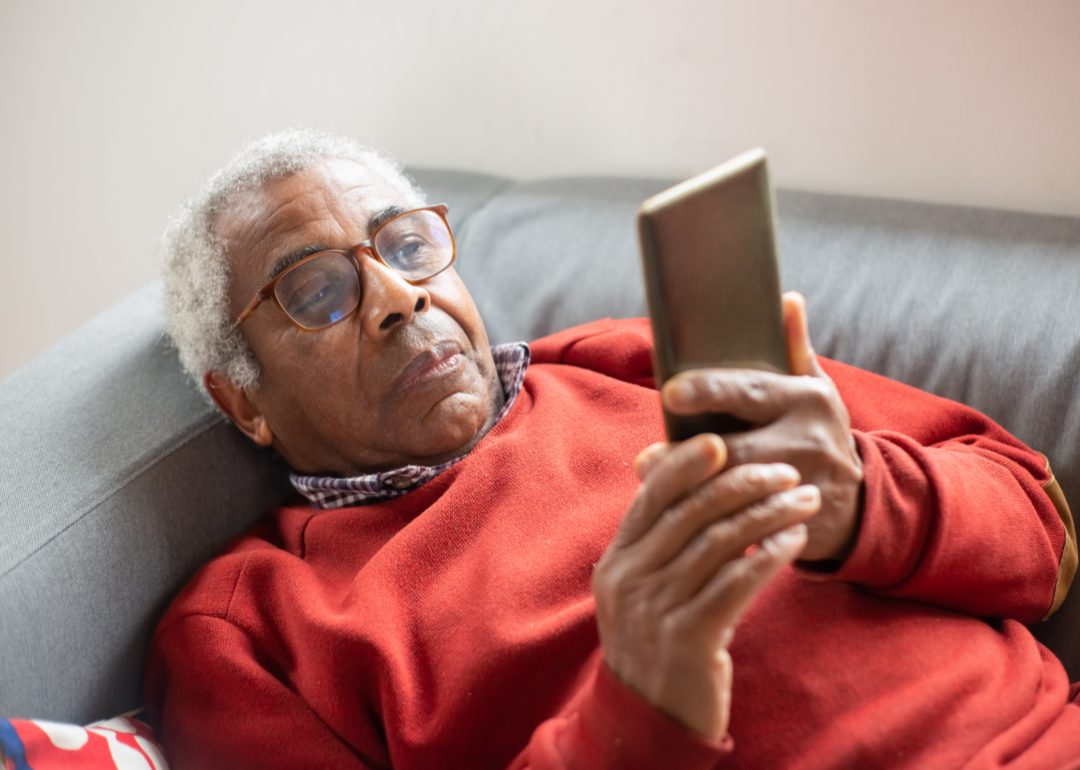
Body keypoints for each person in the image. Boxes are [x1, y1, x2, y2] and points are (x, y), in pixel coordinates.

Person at [144, 128, 1080, 769]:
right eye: (316, 295)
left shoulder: (631, 357)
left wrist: (865, 505)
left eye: (406, 244)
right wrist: (637, 706)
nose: (398, 296)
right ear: (243, 401)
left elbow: (1045, 537)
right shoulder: (252, 633)